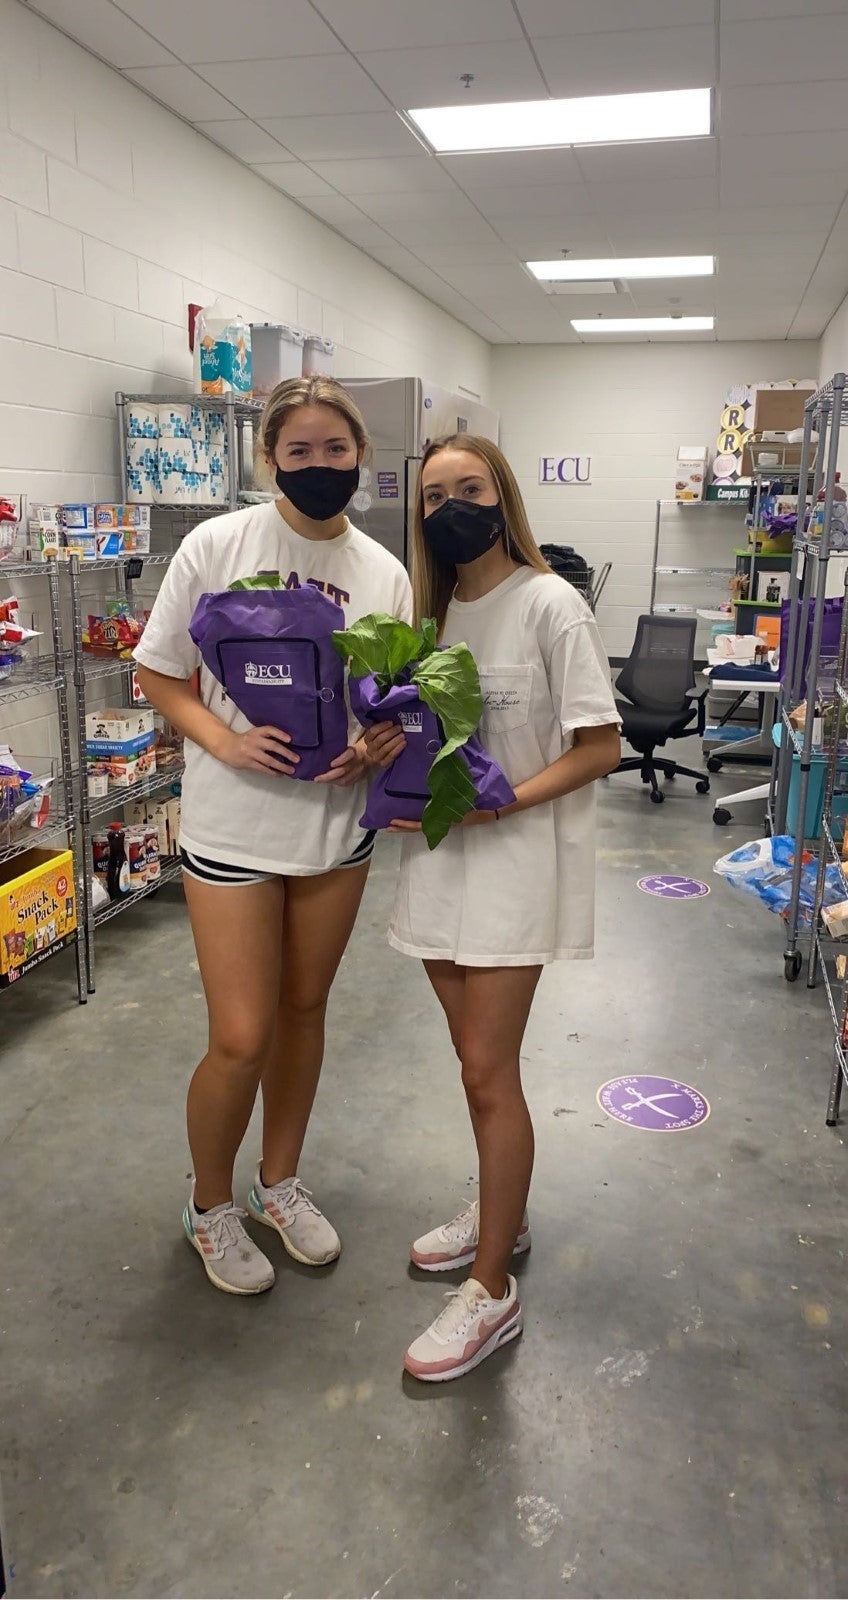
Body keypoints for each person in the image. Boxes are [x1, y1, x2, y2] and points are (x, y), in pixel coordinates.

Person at [134, 377, 411, 1297]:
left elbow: (391, 697)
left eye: (337, 450)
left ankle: (278, 1184)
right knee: (242, 1037)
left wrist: (379, 739)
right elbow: (158, 674)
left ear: (360, 455)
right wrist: (224, 739)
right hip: (235, 830)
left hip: (337, 833)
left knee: (304, 1015)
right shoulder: (219, 545)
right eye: (300, 451)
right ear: (269, 458)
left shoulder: (385, 572)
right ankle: (209, 1204)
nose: (320, 466)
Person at [366, 435, 620, 1382]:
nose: (452, 507)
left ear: (503, 495)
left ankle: (490, 1290)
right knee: (472, 1065)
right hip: (440, 865)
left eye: (469, 489)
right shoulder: (433, 616)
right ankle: (500, 1211)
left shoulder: (548, 604)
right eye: (435, 496)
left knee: (486, 1069)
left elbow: (600, 746)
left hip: (511, 869)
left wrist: (504, 798)